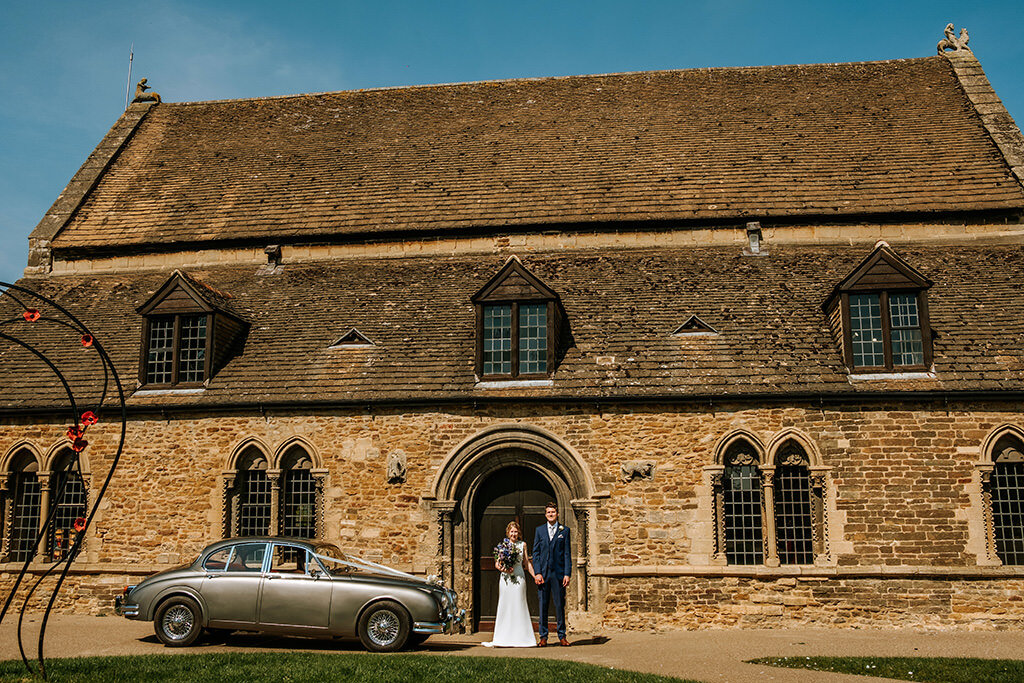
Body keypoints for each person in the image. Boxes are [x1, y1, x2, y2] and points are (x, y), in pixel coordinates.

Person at [482, 521, 537, 647]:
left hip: (519, 577)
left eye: (516, 532)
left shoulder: (523, 545)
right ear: (508, 532)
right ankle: (503, 636)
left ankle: (523, 637)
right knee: (506, 605)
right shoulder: (502, 546)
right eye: (512, 531)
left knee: (519, 604)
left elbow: (526, 563)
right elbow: (497, 564)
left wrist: (535, 576)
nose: (514, 534)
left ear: (519, 533)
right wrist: (504, 569)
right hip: (506, 578)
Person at [532, 502, 571, 646]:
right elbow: (535, 553)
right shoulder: (540, 530)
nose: (551, 514)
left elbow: (567, 554)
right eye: (548, 512)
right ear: (545, 514)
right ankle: (543, 637)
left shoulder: (564, 531)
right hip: (543, 574)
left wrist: (567, 573)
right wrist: (537, 573)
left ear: (557, 514)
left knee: (559, 605)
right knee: (543, 605)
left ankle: (562, 636)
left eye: (553, 512)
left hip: (558, 574)